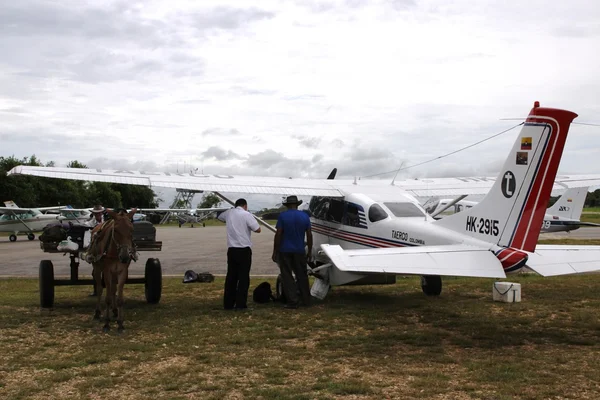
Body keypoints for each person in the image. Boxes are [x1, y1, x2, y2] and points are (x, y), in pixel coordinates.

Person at [217, 198, 261, 310]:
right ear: (245, 206)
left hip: (232, 250)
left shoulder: (228, 213)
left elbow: (219, 217)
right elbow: (257, 229)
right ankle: (241, 304)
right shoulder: (246, 214)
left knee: (231, 277)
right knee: (243, 278)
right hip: (243, 249)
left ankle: (228, 303)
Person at [272, 195, 313, 309]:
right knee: (302, 276)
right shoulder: (305, 216)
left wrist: (275, 250)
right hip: (299, 250)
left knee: (287, 276)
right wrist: (309, 250)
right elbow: (309, 234)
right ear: (297, 204)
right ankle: (306, 300)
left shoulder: (282, 216)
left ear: (287, 205)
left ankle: (293, 301)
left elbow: (279, 234)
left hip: (285, 250)